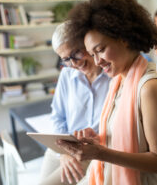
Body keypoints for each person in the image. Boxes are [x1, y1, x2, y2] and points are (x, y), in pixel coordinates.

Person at [57, 0, 157, 185]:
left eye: (101, 50)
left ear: (124, 38)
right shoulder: (118, 81)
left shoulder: (150, 88)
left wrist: (100, 153)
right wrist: (97, 140)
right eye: (92, 54)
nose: (97, 61)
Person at [39, 22, 110, 184]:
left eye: (76, 53)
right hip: (63, 146)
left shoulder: (112, 76)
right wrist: (62, 153)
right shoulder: (67, 75)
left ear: (86, 43)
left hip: (91, 150)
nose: (75, 63)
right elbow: (58, 117)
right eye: (66, 59)